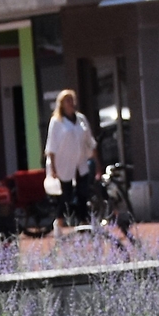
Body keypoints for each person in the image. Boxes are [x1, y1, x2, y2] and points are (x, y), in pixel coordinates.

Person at [43, 88, 97, 231]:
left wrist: (97, 161)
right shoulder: (56, 122)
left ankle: (83, 222)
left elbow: (90, 140)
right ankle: (59, 222)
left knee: (83, 192)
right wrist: (53, 168)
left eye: (72, 99)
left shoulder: (80, 119)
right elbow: (51, 146)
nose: (71, 103)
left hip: (80, 162)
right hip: (64, 164)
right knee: (65, 195)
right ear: (62, 103)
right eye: (67, 100)